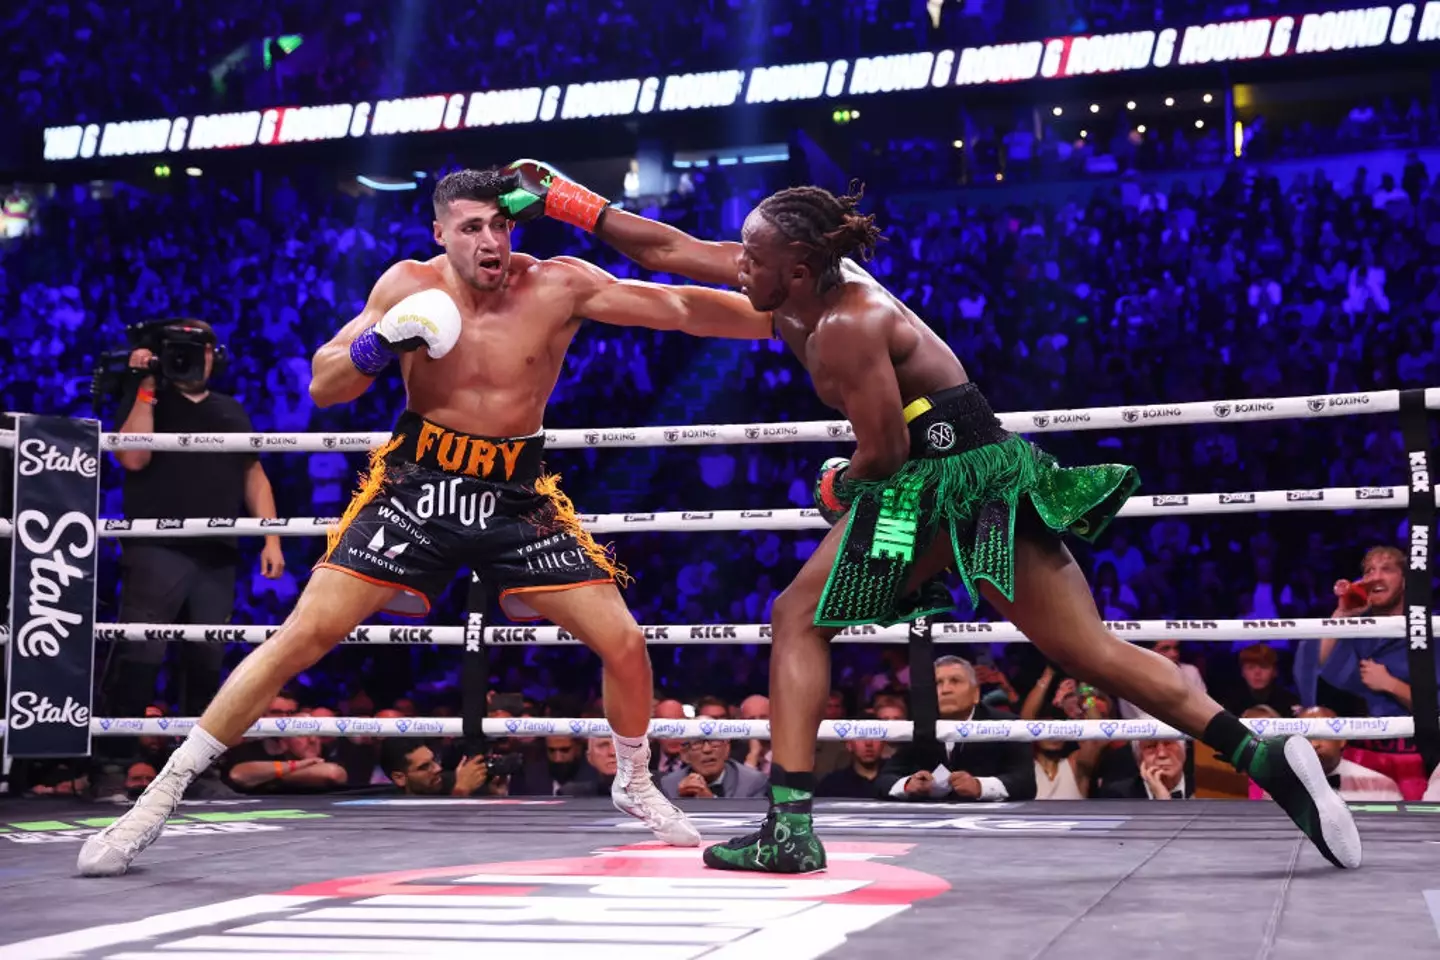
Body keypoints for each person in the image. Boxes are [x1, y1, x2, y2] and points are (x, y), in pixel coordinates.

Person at [503, 161, 1361, 873]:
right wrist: (566, 198)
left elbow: (882, 453)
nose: (738, 267)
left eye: (753, 258)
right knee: (1087, 650)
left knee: (799, 617)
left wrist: (839, 484)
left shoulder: (847, 323)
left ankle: (791, 830)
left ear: (796, 267)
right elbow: (669, 247)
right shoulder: (794, 282)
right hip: (963, 471)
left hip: (940, 481)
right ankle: (1261, 754)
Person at [79, 167, 775, 876]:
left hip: (516, 495)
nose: (490, 240)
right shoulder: (408, 285)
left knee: (624, 642)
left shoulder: (557, 283)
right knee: (301, 637)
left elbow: (680, 307)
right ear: (439, 232)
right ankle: (160, 796)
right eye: (471, 227)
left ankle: (633, 779)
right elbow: (324, 383)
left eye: (500, 224)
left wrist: (787, 314)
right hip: (416, 489)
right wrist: (381, 342)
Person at [105, 319, 287, 719]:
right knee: (141, 651)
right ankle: (115, 754)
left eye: (200, 349)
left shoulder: (230, 409)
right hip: (157, 548)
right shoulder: (147, 399)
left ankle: (195, 755)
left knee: (206, 659)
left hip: (217, 552)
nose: (190, 357)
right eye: (179, 348)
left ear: (213, 356)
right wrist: (146, 385)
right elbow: (133, 457)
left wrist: (271, 538)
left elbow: (253, 476)